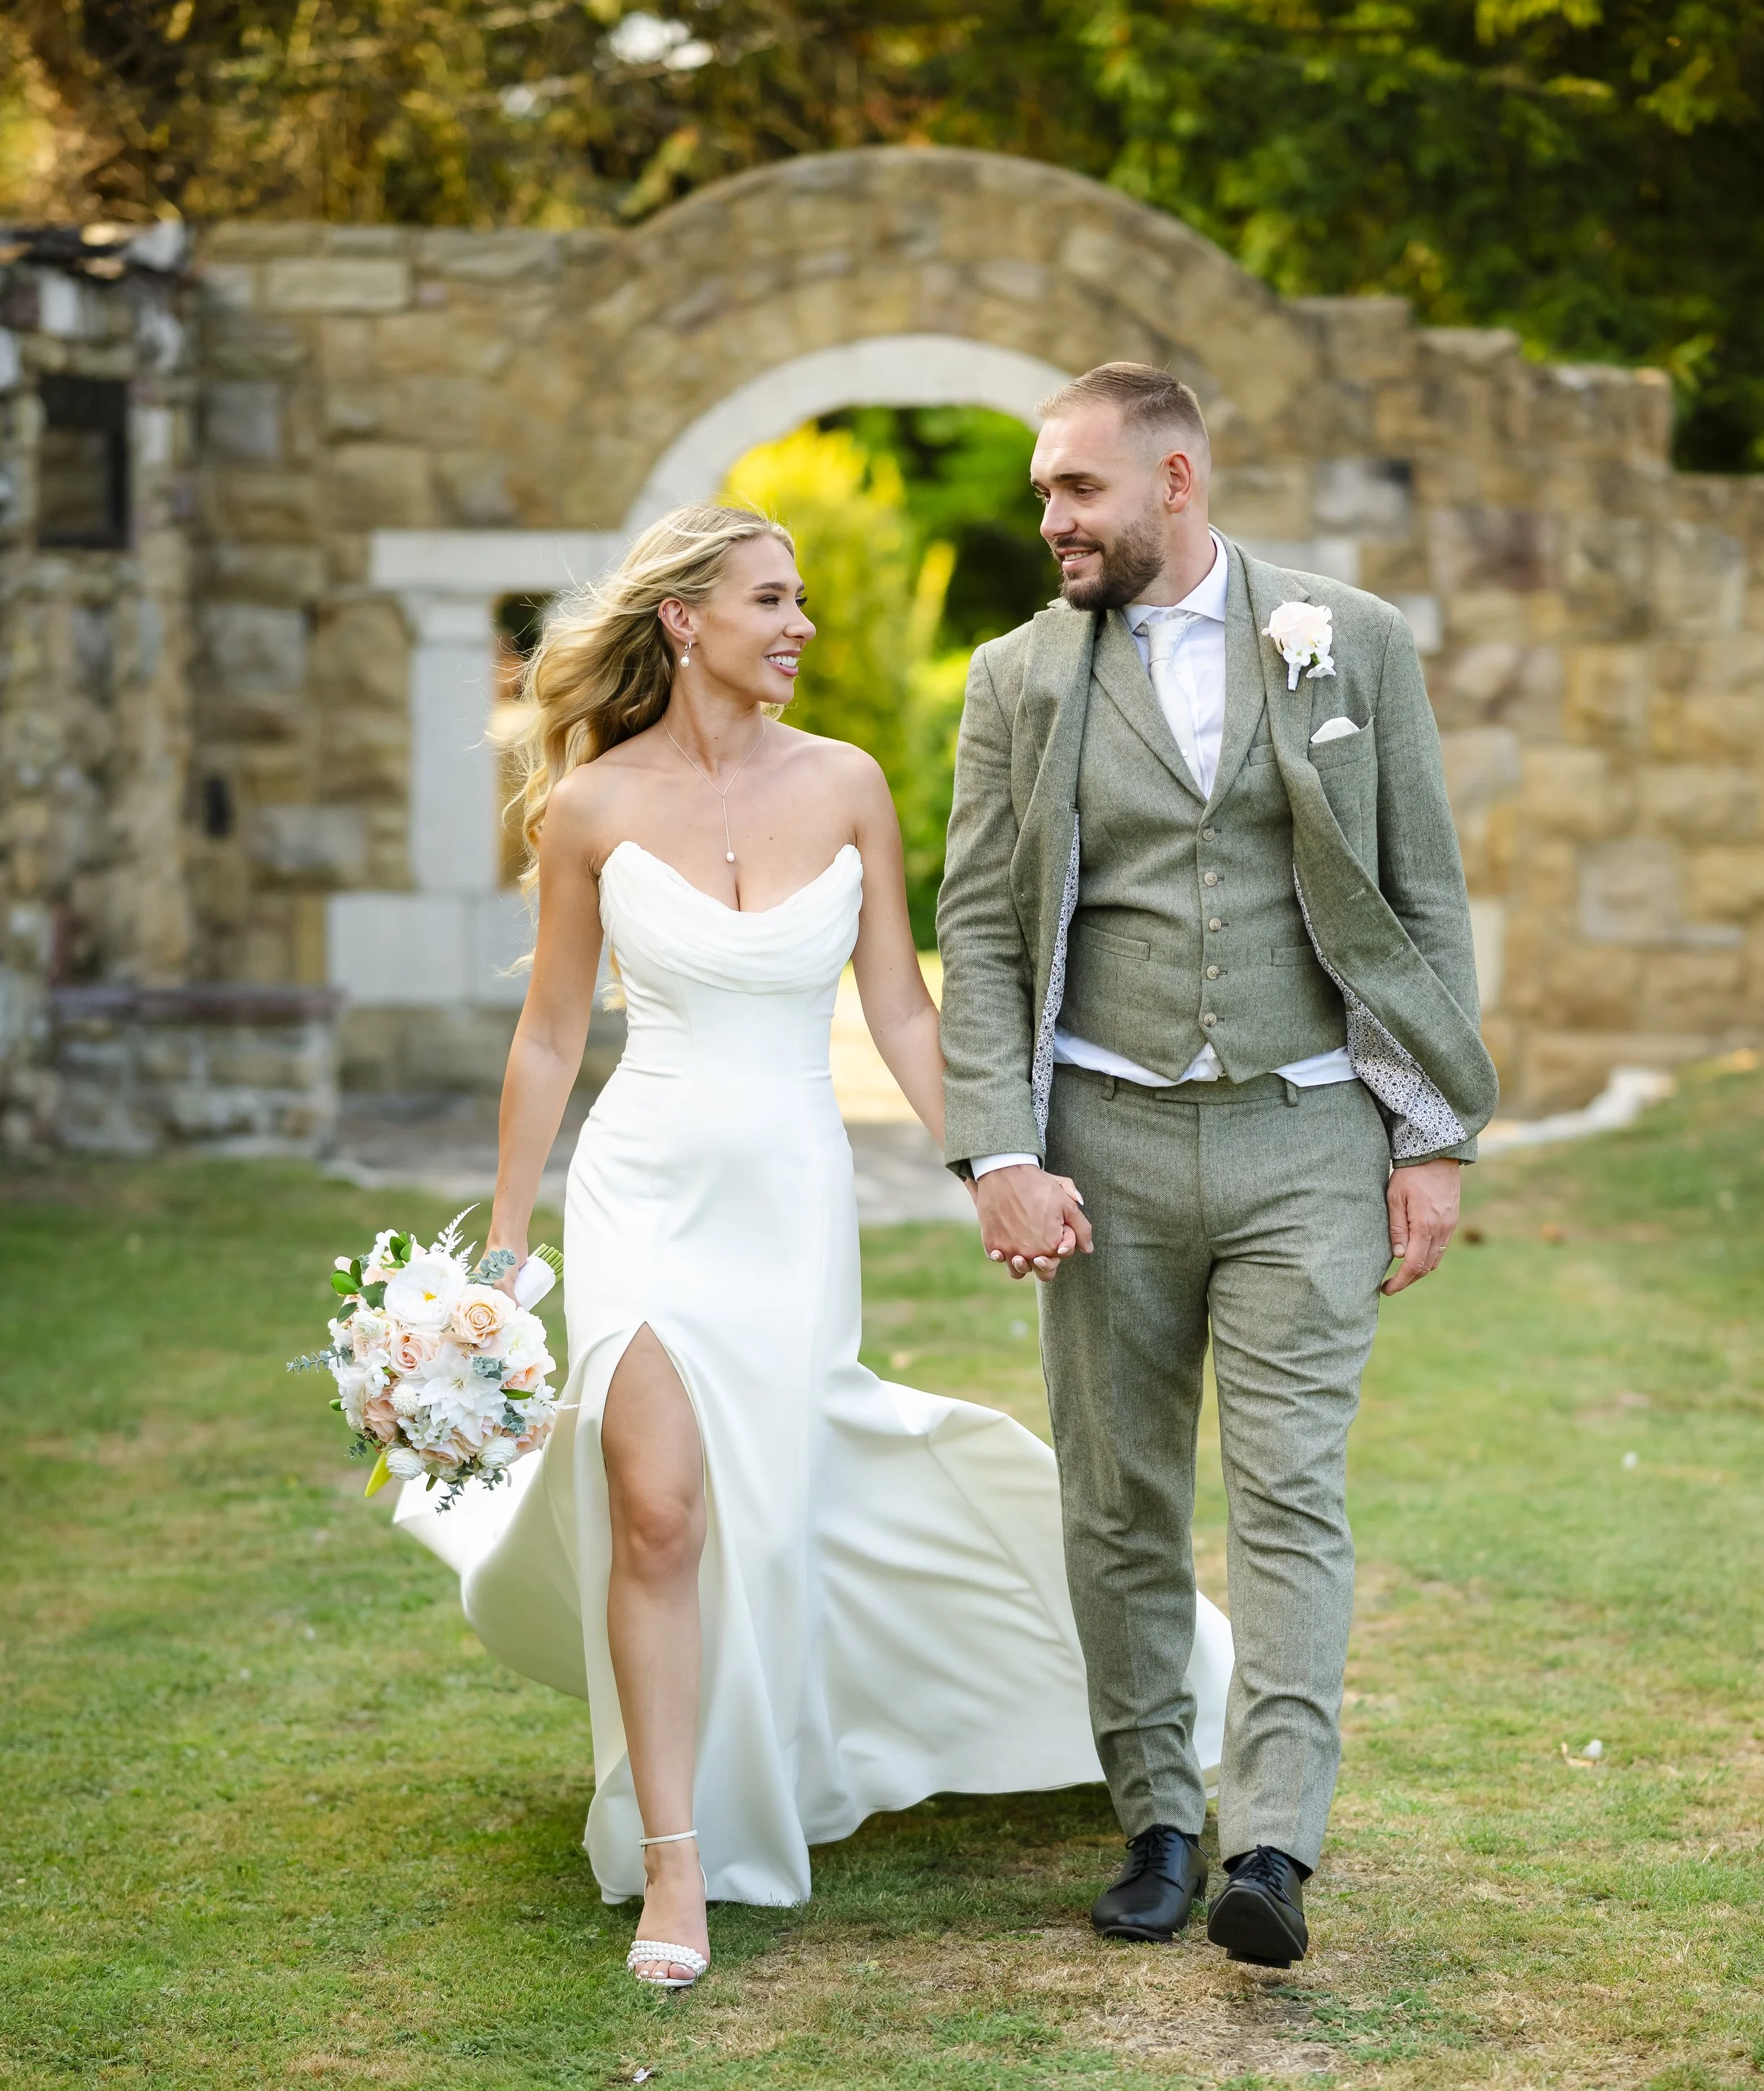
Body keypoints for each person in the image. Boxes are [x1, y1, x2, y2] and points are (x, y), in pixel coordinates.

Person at [394, 503, 1232, 1986]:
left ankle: (1000, 1701)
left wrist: (993, 1163)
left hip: (790, 1196)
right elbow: (546, 1042)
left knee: (767, 1505)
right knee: (658, 1509)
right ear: (682, 620)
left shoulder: (847, 786)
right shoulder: (591, 810)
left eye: (801, 605)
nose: (798, 628)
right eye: (769, 601)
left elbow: (901, 1008)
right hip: (642, 1187)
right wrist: (508, 1248)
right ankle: (673, 1864)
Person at [937, 363, 1496, 1966]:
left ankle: (1270, 1844)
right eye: (1045, 491)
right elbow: (975, 928)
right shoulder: (1014, 680)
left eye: (1076, 490)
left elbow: (1421, 894)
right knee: (1114, 1496)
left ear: (1173, 483)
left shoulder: (1346, 639)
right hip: (1099, 1141)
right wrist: (997, 1147)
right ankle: (1156, 1821)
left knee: (1289, 1493)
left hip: (1306, 1133)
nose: (1050, 518)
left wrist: (1432, 1136)